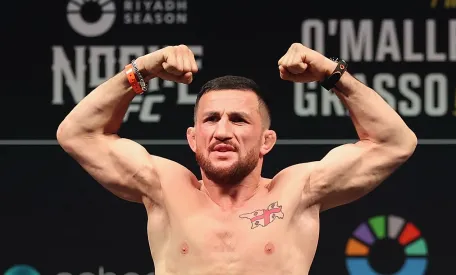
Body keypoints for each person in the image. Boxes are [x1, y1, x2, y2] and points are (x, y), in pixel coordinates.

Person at [56, 43, 417, 274]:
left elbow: (394, 143)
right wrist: (142, 69)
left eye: (239, 120)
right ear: (193, 138)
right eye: (211, 119)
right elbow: (77, 134)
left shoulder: (297, 192)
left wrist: (332, 74)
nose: (223, 131)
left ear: (266, 141)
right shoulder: (164, 187)